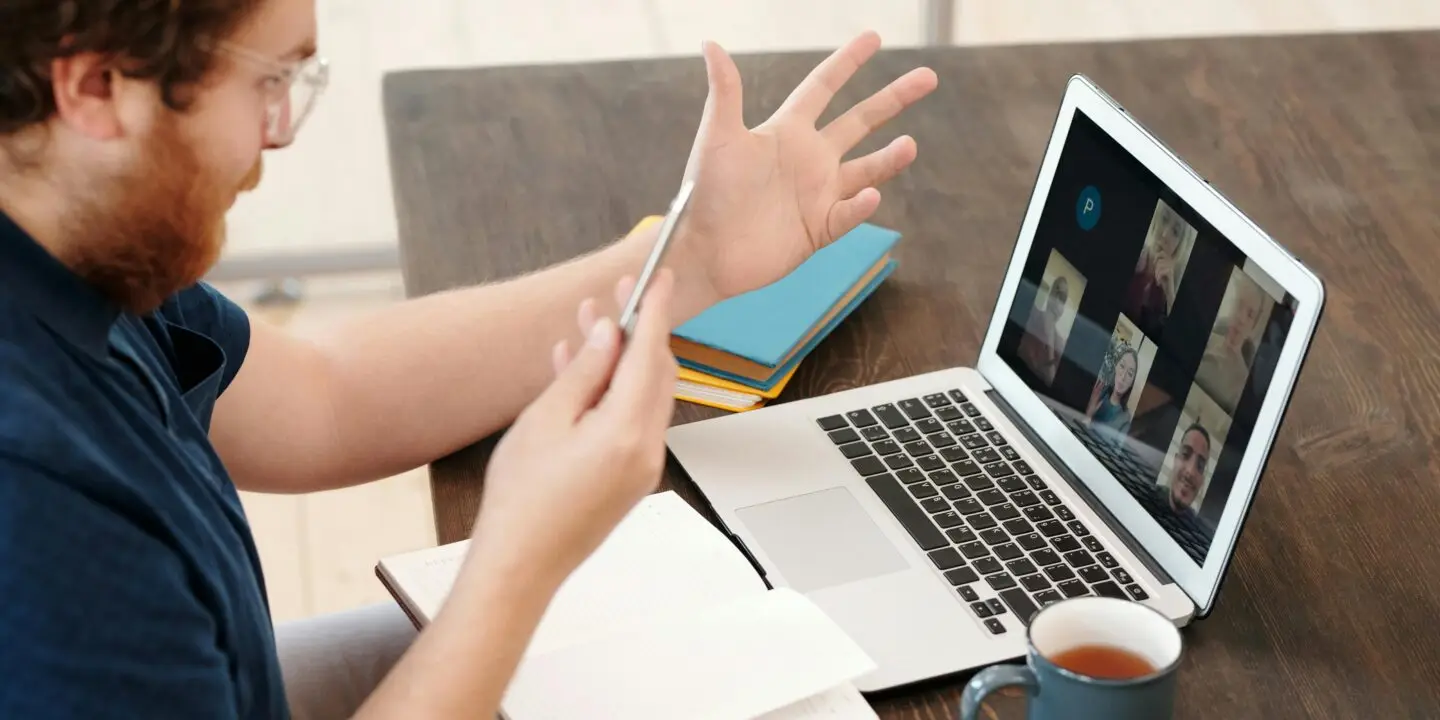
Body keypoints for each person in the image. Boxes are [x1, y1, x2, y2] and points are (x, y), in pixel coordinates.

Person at [0, 0, 939, 717]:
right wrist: (518, 554)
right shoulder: (37, 515)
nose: (276, 135)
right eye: (266, 82)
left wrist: (687, 258)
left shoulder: (73, 250)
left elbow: (327, 398)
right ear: (92, 89)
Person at [1195, 274, 1267, 413]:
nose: (1241, 318)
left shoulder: (1242, 385)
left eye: (1250, 315)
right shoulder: (1203, 336)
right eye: (1239, 305)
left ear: (1254, 325)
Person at [1124, 203, 1187, 338]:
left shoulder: (1172, 292)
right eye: (1164, 218)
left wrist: (1170, 295)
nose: (1165, 234)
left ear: (1179, 246)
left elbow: (1175, 340)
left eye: (1175, 232)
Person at [1016, 275, 1070, 384]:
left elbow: (1050, 381)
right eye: (1056, 294)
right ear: (1050, 294)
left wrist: (1050, 341)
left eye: (1063, 298)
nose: (1058, 301)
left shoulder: (1059, 343)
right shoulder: (1031, 314)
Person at [1085, 344, 1138, 437]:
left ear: (1131, 384)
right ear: (1115, 367)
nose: (1123, 376)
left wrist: (1089, 417)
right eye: (1122, 366)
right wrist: (1090, 410)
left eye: (1130, 374)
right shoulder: (1098, 393)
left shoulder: (1124, 421)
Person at [1163, 423, 1210, 513]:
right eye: (1185, 454)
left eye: (1200, 465)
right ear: (1175, 461)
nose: (1191, 471)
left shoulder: (1196, 526)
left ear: (1202, 481)